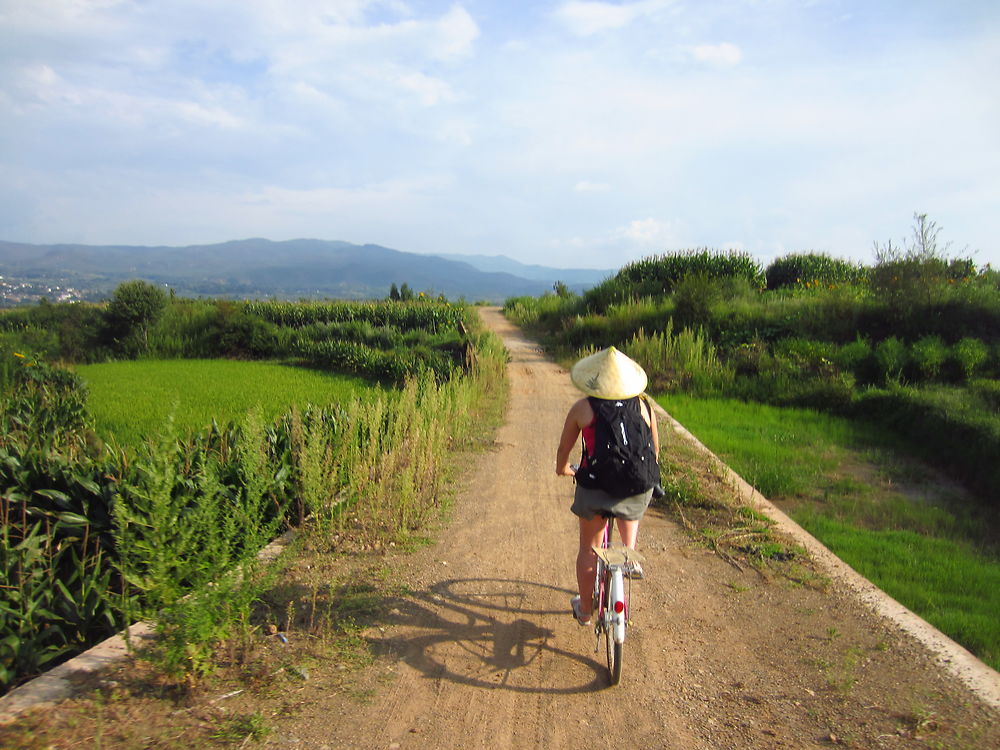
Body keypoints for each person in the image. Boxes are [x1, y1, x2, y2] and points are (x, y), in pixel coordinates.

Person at [555, 346, 659, 626]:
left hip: (595, 488)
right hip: (637, 487)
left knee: (589, 549)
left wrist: (563, 469)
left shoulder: (583, 408)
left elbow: (565, 447)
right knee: (631, 507)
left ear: (594, 380)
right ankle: (629, 555)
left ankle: (586, 610)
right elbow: (654, 453)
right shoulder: (644, 406)